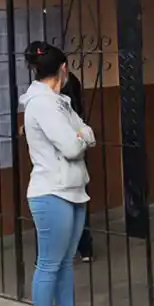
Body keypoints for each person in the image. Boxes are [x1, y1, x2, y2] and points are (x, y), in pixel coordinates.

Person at [20, 42, 96, 306]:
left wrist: (81, 135)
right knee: (49, 265)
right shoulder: (41, 103)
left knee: (64, 263)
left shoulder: (60, 101)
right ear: (63, 69)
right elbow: (72, 145)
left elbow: (85, 131)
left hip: (74, 188)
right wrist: (80, 137)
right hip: (51, 192)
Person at [60, 71, 93, 262]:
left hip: (61, 163)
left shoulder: (56, 106)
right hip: (77, 162)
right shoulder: (75, 114)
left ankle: (69, 249)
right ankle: (85, 247)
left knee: (63, 205)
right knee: (79, 201)